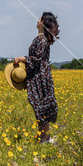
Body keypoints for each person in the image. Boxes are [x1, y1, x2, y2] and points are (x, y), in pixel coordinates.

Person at [14, 12, 59, 143]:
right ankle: (45, 137)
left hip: (38, 77)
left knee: (40, 106)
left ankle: (43, 138)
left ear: (43, 23)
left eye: (39, 19)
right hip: (43, 75)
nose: (37, 20)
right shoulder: (44, 38)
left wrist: (22, 58)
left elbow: (37, 58)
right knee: (43, 105)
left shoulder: (41, 38)